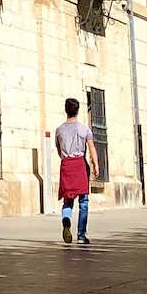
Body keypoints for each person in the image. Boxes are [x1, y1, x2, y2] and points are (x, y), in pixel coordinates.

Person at [54, 96, 98, 245]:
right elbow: (91, 148)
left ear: (65, 110)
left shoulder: (59, 130)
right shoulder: (84, 129)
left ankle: (66, 218)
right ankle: (81, 234)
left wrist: (65, 157)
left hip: (66, 164)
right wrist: (96, 165)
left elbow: (58, 149)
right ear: (78, 111)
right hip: (80, 164)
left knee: (68, 199)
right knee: (83, 201)